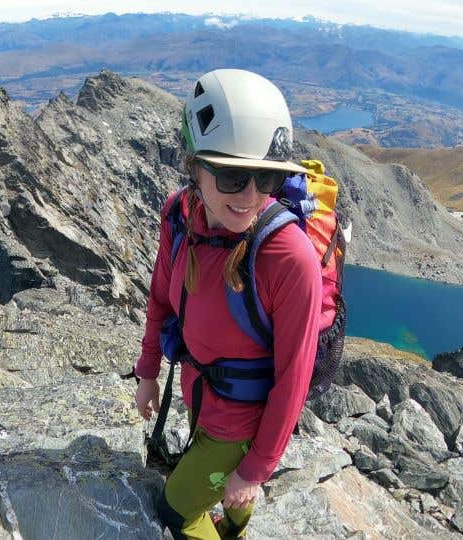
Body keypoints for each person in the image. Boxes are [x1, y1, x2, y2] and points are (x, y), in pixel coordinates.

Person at [134, 69, 323, 539]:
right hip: (203, 395)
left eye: (268, 178)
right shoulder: (180, 215)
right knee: (222, 490)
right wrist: (148, 369)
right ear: (194, 166)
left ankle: (231, 520)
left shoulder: (288, 257)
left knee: (175, 512)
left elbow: (293, 378)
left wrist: (255, 468)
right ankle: (234, 523)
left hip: (240, 422)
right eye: (234, 176)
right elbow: (161, 295)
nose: (252, 196)